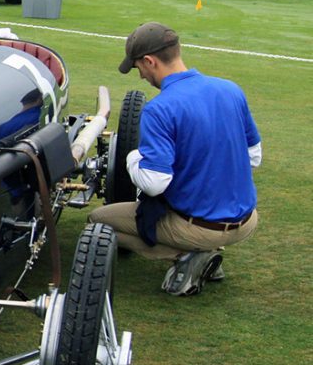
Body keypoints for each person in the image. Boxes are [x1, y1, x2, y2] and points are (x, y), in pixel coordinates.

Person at [89, 23, 261, 297]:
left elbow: (154, 183)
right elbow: (253, 156)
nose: (142, 76)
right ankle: (204, 250)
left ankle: (190, 254)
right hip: (247, 220)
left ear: (149, 61)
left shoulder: (159, 109)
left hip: (202, 229)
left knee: (98, 221)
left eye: (138, 68)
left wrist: (133, 158)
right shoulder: (231, 89)